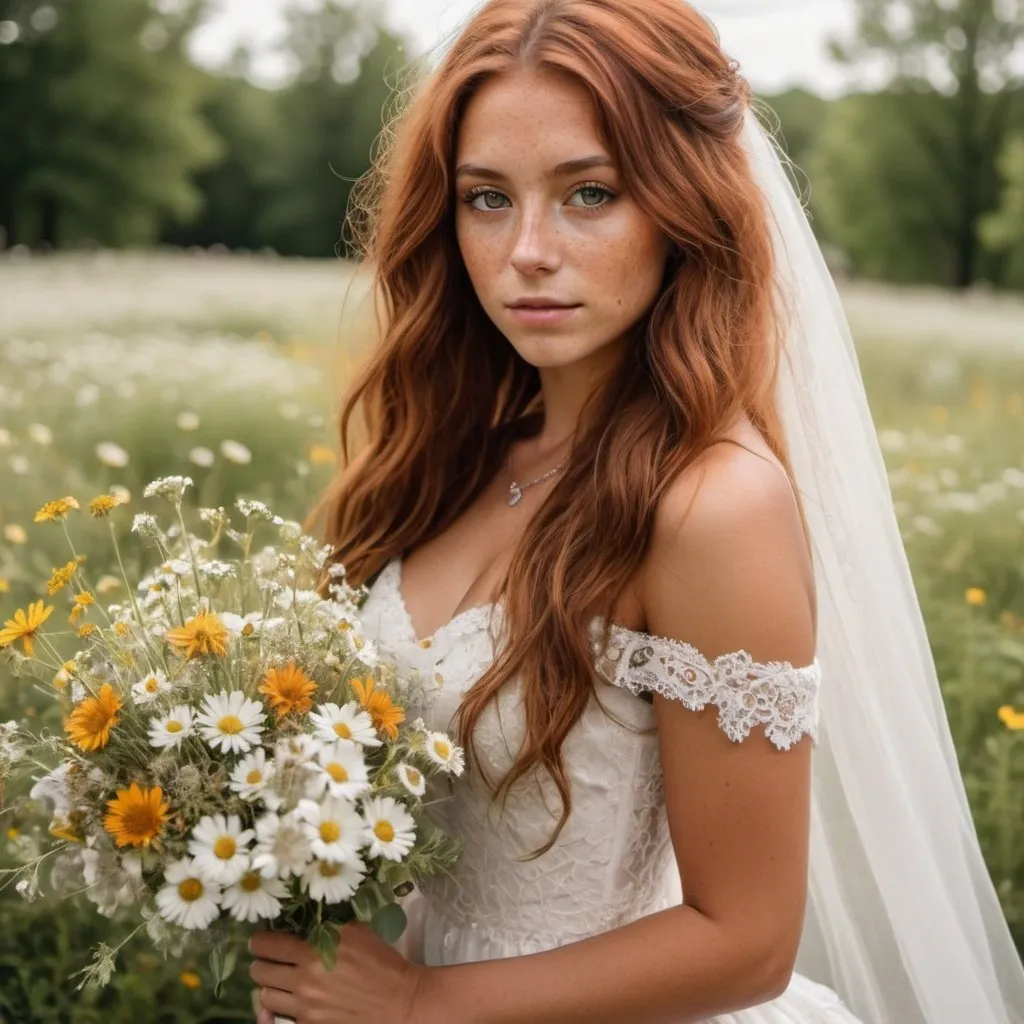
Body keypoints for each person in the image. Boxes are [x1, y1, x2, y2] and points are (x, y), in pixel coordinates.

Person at [249, 1, 1024, 1021]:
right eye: (487, 198)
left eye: (589, 193)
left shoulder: (713, 506)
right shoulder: (459, 453)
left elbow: (744, 941)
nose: (527, 249)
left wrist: (419, 1003)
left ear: (682, 206)